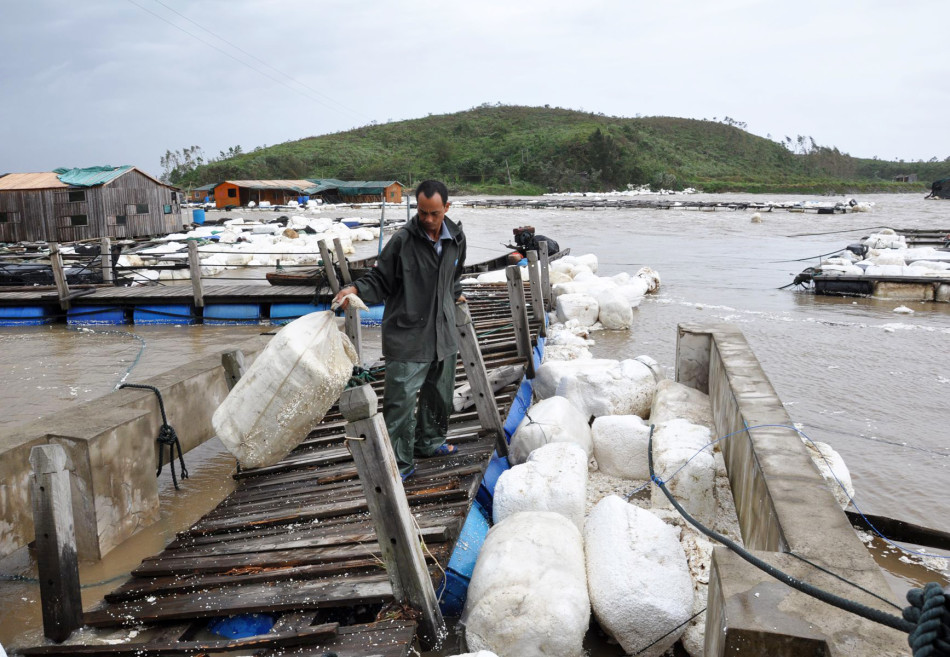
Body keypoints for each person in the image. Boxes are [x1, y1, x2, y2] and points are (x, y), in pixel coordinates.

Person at [333, 180, 466, 480]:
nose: (428, 219)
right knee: (400, 405)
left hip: (442, 332)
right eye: (422, 212)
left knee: (439, 395)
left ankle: (430, 442)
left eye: (434, 213)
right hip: (407, 335)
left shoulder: (457, 237)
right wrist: (354, 288)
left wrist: (454, 292)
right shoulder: (403, 240)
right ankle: (399, 465)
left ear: (446, 208)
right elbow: (380, 280)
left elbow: (455, 271)